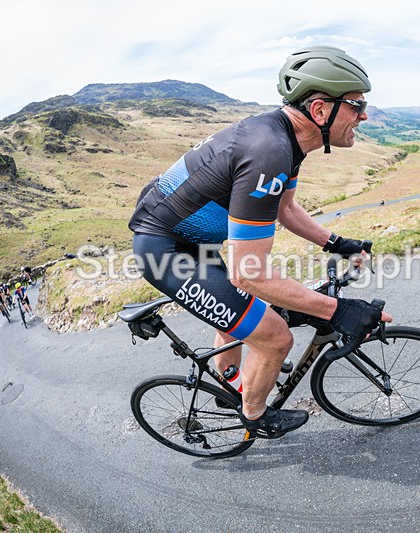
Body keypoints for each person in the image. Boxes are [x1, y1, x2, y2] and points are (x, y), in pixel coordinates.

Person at [128, 45, 392, 436]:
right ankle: (254, 415)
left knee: (242, 314)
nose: (364, 114)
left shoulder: (287, 141)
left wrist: (337, 242)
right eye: (356, 105)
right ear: (320, 111)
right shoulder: (269, 150)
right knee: (274, 336)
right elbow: (248, 275)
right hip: (164, 252)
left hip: (191, 240)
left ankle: (229, 382)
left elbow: (285, 210)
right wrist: (337, 310)